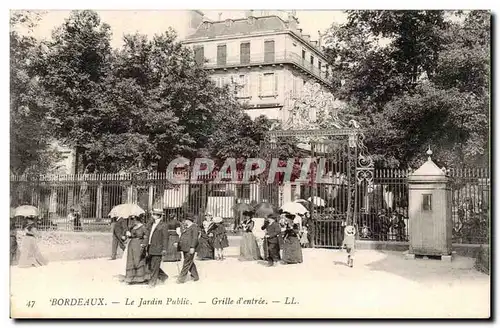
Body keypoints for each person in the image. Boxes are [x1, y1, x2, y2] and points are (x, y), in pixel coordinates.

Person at [145, 209, 169, 287]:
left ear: (158, 216)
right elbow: (146, 228)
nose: (152, 216)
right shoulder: (151, 224)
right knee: (150, 265)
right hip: (150, 247)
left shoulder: (163, 225)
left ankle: (152, 283)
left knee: (154, 266)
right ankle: (163, 276)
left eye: (154, 214)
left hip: (158, 248)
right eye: (153, 214)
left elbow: (165, 238)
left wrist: (164, 249)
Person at [123, 216, 149, 284]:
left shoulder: (143, 227)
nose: (133, 221)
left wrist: (143, 244)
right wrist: (128, 234)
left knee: (138, 260)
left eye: (134, 220)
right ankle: (130, 277)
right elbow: (131, 235)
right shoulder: (133, 227)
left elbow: (146, 236)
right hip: (131, 245)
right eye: (132, 219)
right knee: (131, 260)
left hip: (139, 245)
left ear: (138, 220)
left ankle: (140, 278)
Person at [175, 215, 200, 284]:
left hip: (190, 248)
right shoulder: (186, 227)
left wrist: (192, 247)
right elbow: (183, 237)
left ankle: (181, 279)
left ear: (188, 220)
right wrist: (178, 244)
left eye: (185, 220)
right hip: (185, 247)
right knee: (189, 262)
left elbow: (195, 238)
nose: (184, 221)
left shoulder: (194, 227)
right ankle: (196, 276)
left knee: (186, 263)